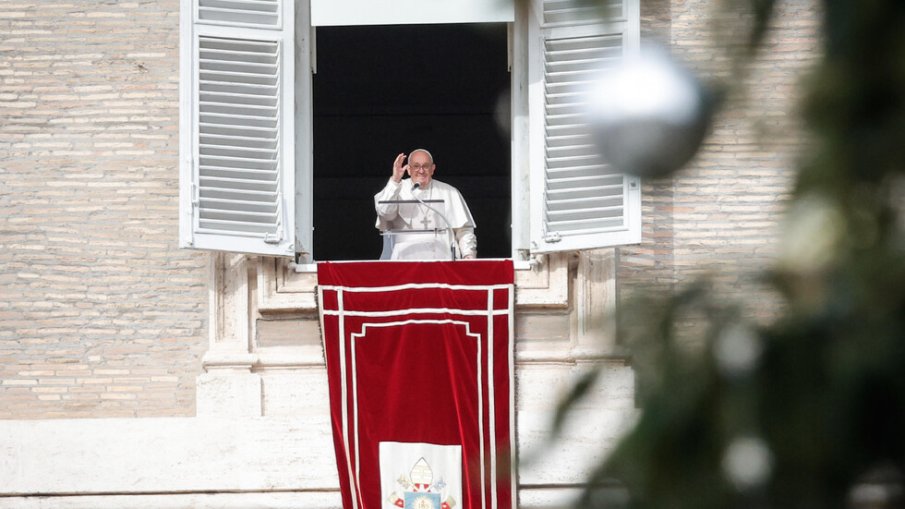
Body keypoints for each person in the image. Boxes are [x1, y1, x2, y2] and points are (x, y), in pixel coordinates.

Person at [374, 149, 477, 260]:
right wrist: (395, 180)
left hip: (443, 261)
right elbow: (384, 212)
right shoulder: (396, 189)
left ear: (433, 169)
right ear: (408, 169)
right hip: (404, 261)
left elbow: (464, 229)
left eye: (426, 166)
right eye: (416, 166)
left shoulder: (449, 192)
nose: (421, 171)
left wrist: (468, 254)